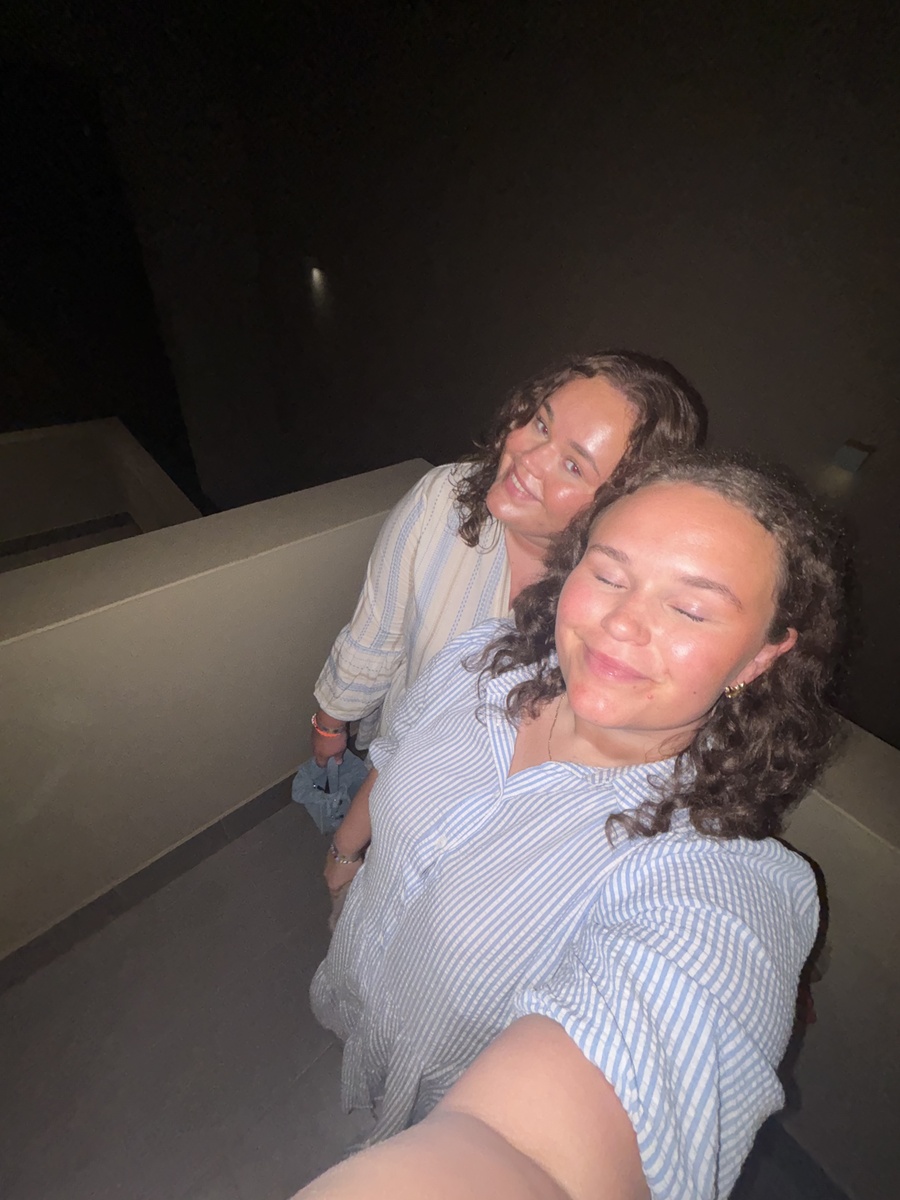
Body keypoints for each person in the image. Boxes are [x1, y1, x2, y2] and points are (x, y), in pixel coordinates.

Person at [303, 452, 844, 1200]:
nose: (621, 624)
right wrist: (344, 855)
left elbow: (543, 1152)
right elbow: (393, 758)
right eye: (608, 574)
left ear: (761, 656)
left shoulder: (711, 871)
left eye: (691, 609)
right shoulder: (476, 665)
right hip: (358, 976)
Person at [313, 351, 705, 902]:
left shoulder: (616, 619)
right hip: (393, 775)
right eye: (541, 423)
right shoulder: (444, 501)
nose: (527, 457)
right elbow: (377, 633)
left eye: (574, 465)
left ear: (621, 506)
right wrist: (331, 724)